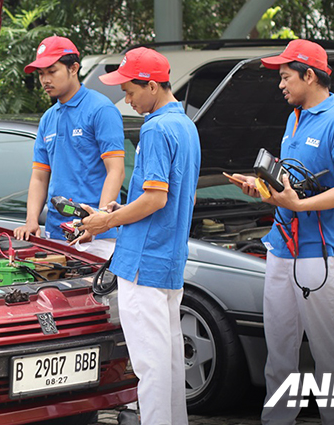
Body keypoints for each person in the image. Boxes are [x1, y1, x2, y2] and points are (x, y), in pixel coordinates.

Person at [225, 39, 334, 424]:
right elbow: (291, 184)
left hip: (318, 253)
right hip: (281, 248)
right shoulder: (295, 118)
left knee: (330, 351)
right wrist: (262, 190)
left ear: (309, 75)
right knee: (280, 348)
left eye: (286, 77)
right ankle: (278, 419)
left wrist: (300, 206)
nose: (280, 85)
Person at [80, 47, 200, 425]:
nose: (126, 100)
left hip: (143, 264)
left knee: (150, 369)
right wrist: (120, 212)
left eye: (130, 91)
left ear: (152, 85)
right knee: (167, 362)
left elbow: (155, 197)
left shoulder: (155, 128)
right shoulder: (186, 125)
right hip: (167, 260)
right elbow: (177, 196)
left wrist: (106, 222)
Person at [12, 36, 125, 259]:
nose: (45, 79)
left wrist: (99, 220)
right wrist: (31, 221)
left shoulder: (101, 109)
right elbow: (39, 177)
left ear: (73, 68)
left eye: (51, 71)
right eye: (41, 73)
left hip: (97, 236)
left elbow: (116, 170)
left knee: (97, 294)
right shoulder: (47, 119)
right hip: (56, 233)